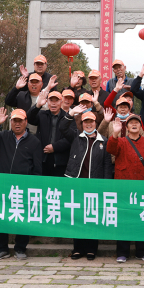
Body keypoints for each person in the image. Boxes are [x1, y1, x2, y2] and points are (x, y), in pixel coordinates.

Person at [0, 108, 43, 260]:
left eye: (20, 121)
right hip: (3, 186)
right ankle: (1, 248)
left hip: (24, 188)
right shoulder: (3, 136)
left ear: (26, 122)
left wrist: (34, 186)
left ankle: (20, 249)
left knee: (23, 218)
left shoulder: (34, 141)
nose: (17, 124)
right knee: (1, 217)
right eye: (14, 121)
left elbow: (37, 168)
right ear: (10, 122)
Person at [59, 108, 113, 260]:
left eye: (91, 121)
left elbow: (107, 165)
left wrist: (106, 185)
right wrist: (70, 113)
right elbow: (62, 127)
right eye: (86, 122)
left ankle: (91, 249)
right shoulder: (76, 137)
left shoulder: (103, 141)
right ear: (82, 124)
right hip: (77, 184)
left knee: (92, 216)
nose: (88, 124)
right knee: (77, 216)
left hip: (95, 185)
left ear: (96, 123)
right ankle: (78, 248)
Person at [106, 115, 144, 262]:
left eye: (137, 123)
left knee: (142, 218)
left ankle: (142, 251)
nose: (134, 125)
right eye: (131, 123)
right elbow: (111, 149)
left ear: (141, 127)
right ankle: (122, 252)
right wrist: (115, 134)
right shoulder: (120, 141)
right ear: (126, 127)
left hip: (142, 186)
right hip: (123, 186)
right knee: (123, 219)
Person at [26, 90, 73, 177]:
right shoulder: (42, 114)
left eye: (56, 101)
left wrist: (54, 147)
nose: (53, 103)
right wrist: (38, 106)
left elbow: (70, 138)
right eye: (51, 100)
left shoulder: (68, 117)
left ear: (61, 102)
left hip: (61, 161)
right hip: (43, 159)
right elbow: (29, 118)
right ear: (47, 102)